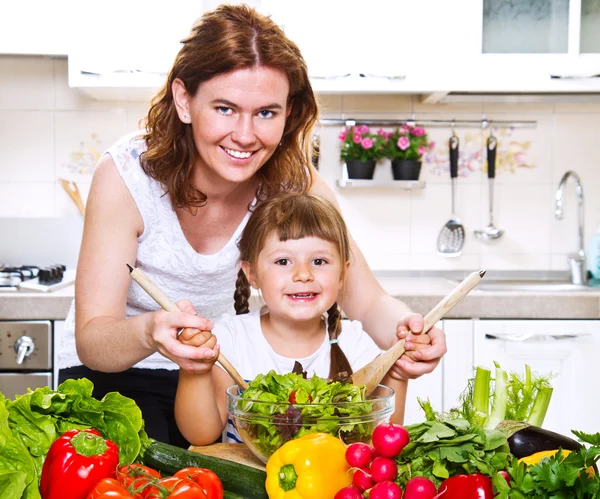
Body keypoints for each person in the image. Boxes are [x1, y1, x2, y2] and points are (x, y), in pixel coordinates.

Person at [58, 3, 446, 447]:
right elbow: (94, 340)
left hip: (219, 381)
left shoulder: (295, 184)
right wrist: (152, 331)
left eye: (266, 113)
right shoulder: (128, 176)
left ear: (288, 113)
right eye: (225, 108)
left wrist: (410, 332)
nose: (245, 135)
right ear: (184, 100)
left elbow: (368, 300)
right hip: (114, 379)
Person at [175, 193, 430, 445]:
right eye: (283, 261)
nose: (303, 274)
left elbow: (381, 439)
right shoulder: (230, 340)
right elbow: (201, 434)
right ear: (252, 273)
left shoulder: (356, 345)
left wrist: (399, 374)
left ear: (343, 272)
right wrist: (194, 369)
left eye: (319, 261)